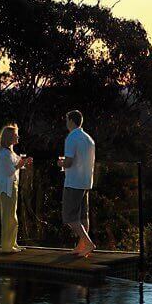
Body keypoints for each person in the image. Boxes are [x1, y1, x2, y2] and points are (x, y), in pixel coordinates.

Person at [58, 109, 95, 257]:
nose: (66, 123)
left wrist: (60, 162)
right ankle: (81, 246)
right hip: (86, 181)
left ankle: (88, 243)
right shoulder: (88, 138)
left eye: (67, 120)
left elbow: (69, 161)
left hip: (73, 182)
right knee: (83, 216)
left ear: (72, 121)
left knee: (69, 216)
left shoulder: (71, 138)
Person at [0, 123, 31, 253]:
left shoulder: (10, 152)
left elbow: (16, 165)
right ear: (10, 137)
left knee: (13, 216)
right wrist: (21, 163)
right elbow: (10, 170)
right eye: (16, 135)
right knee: (8, 217)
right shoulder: (4, 154)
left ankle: (12, 243)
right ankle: (6, 246)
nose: (18, 137)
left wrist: (23, 163)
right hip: (7, 188)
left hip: (12, 186)